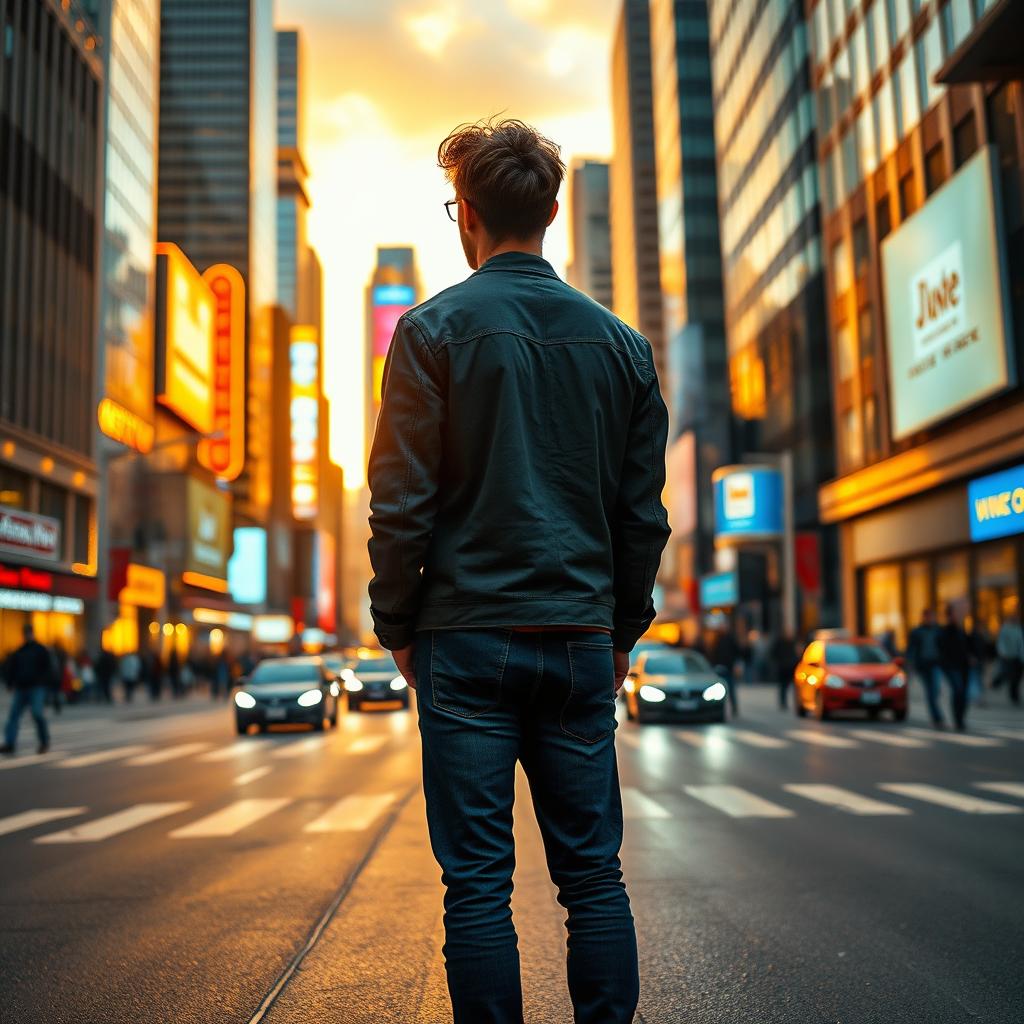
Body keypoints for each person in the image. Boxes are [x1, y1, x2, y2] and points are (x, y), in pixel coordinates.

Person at [367, 118, 670, 1024]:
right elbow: (641, 518)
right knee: (593, 878)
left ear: (466, 216)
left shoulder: (429, 333)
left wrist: (398, 625)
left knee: (477, 887)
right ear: (551, 211)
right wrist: (618, 633)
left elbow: (400, 508)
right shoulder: (622, 347)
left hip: (464, 637)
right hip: (578, 636)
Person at [0, 624, 54, 755]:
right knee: (14, 716)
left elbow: (48, 668)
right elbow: (12, 668)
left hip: (36, 687)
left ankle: (44, 741)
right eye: (26, 633)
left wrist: (46, 684)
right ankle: (10, 743)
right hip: (21, 687)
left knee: (37, 714)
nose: (27, 635)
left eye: (29, 633)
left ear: (32, 633)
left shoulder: (40, 650)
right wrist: (10, 683)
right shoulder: (20, 651)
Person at [906, 608, 944, 726]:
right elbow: (911, 649)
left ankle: (936, 715)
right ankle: (937, 717)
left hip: (935, 664)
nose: (931, 619)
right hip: (923, 666)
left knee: (935, 690)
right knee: (930, 691)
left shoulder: (938, 630)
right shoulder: (917, 631)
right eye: (929, 617)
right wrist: (910, 663)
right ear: (924, 617)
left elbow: (944, 647)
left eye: (933, 616)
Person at [938, 603, 971, 731]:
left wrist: (971, 657)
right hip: (951, 666)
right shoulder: (945, 631)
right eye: (956, 613)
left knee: (963, 693)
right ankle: (958, 720)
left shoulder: (961, 629)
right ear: (950, 615)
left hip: (963, 666)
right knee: (958, 690)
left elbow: (966, 646)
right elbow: (943, 649)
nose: (959, 615)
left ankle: (961, 719)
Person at [992, 611, 1024, 705]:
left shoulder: (1020, 629)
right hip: (1007, 657)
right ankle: (1012, 695)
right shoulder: (1005, 629)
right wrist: (1003, 652)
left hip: (1018, 657)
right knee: (1009, 674)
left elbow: (1021, 643)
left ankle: (1014, 695)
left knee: (1017, 677)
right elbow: (1001, 642)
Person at [709, 628, 740, 716]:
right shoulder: (716, 639)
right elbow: (713, 654)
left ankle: (734, 708)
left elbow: (736, 652)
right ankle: (718, 709)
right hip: (720, 668)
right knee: (719, 691)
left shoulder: (729, 639)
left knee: (731, 689)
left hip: (728, 668)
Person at [771, 632, 800, 710]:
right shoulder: (780, 643)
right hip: (782, 668)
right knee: (783, 686)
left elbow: (796, 654)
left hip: (790, 667)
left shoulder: (792, 643)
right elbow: (773, 653)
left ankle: (793, 702)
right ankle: (783, 702)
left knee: (789, 686)